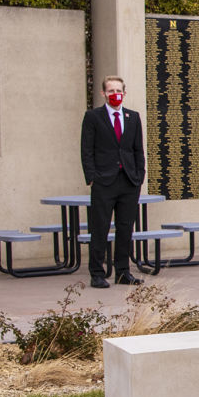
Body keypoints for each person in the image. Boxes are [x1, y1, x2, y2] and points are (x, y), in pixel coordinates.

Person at [79, 75, 145, 289]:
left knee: (126, 228)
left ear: (124, 93)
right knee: (100, 227)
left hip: (128, 181)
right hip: (104, 181)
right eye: (110, 90)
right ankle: (97, 273)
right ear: (103, 93)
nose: (115, 94)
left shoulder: (133, 117)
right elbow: (86, 149)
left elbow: (137, 150)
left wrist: (139, 175)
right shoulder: (93, 117)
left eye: (118, 90)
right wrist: (91, 177)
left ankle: (122, 272)